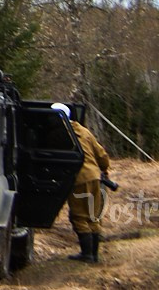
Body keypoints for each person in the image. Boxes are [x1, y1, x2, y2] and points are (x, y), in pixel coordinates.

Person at [56, 102, 117, 263]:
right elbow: (102, 154)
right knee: (93, 216)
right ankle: (94, 255)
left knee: (79, 216)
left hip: (78, 179)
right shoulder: (84, 131)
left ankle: (87, 254)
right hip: (95, 177)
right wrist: (104, 170)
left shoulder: (59, 133)